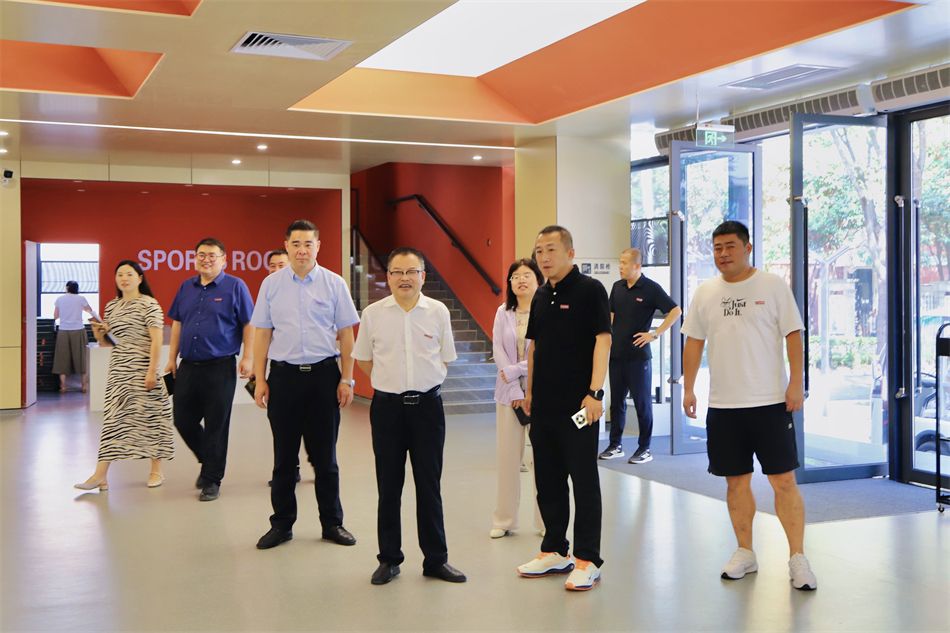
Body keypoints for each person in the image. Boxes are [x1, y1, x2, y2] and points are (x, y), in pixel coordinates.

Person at [681, 220, 817, 591]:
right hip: (724, 406)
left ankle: (798, 557)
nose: (723, 254)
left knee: (783, 481)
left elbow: (793, 334)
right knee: (735, 481)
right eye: (717, 248)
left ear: (747, 248)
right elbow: (694, 342)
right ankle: (745, 551)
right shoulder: (706, 292)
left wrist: (796, 382)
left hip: (770, 402)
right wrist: (688, 388)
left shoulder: (772, 285)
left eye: (730, 246)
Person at [352, 247, 467, 585]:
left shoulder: (438, 311)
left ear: (423, 276)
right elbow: (364, 360)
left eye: (411, 271)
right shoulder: (373, 314)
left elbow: (444, 358)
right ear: (387, 277)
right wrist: (391, 383)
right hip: (387, 409)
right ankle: (389, 559)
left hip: (428, 409)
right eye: (397, 272)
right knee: (389, 486)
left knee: (429, 485)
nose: (405, 278)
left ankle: (436, 560)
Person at [251, 219, 359, 550]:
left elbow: (346, 335)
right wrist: (260, 378)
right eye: (296, 244)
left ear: (318, 246)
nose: (302, 250)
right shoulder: (271, 285)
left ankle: (332, 524)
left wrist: (347, 378)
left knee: (326, 459)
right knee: (284, 458)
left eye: (308, 244)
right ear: (286, 246)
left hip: (324, 378)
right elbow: (262, 334)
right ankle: (282, 525)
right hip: (283, 379)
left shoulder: (334, 283)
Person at [518, 226, 611, 592]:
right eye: (539, 250)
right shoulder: (541, 294)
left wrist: (595, 393)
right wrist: (529, 391)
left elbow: (603, 341)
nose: (543, 257)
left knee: (584, 481)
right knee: (547, 480)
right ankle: (555, 549)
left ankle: (588, 559)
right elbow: (534, 348)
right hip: (544, 405)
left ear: (570, 253)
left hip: (580, 405)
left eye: (551, 249)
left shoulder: (591, 290)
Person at [164, 238, 254, 502]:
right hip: (188, 365)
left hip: (220, 366)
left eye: (212, 255)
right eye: (201, 255)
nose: (206, 259)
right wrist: (171, 358)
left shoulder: (235, 286)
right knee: (182, 419)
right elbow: (177, 323)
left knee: (217, 424)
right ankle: (209, 460)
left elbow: (248, 324)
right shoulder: (186, 287)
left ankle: (212, 479)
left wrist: (248, 357)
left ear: (224, 259)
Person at [75, 260, 174, 490]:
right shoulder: (112, 306)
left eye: (129, 274)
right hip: (119, 371)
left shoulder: (149, 304)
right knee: (113, 421)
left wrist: (152, 371)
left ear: (140, 278)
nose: (124, 278)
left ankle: (156, 470)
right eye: (120, 274)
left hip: (144, 369)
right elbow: (108, 343)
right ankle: (100, 475)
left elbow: (157, 340)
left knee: (152, 418)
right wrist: (99, 333)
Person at [600, 248, 681, 463]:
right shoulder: (617, 287)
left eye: (624, 263)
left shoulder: (651, 288)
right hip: (616, 355)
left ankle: (644, 448)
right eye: (620, 262)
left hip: (638, 358)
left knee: (642, 404)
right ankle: (615, 445)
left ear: (637, 266)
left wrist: (654, 334)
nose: (620, 266)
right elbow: (611, 316)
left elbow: (675, 311)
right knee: (616, 404)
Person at [490, 258, 544, 539]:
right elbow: (498, 350)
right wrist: (514, 390)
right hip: (507, 394)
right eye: (515, 276)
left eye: (527, 275)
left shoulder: (546, 310)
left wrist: (516, 371)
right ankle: (505, 520)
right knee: (508, 459)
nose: (521, 280)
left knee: (544, 459)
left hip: (542, 393)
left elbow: (545, 353)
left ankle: (546, 522)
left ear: (538, 280)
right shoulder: (503, 312)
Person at [265, 247, 298, 486]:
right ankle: (289, 468)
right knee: (283, 428)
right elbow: (262, 333)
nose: (276, 270)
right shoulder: (269, 290)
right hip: (282, 371)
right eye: (272, 266)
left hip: (316, 371)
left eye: (281, 265)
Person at [52, 280, 94, 393]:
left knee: (62, 358)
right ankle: (84, 386)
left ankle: (63, 386)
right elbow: (90, 310)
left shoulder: (60, 299)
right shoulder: (81, 299)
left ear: (67, 288)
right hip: (78, 329)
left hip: (63, 330)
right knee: (81, 357)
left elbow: (55, 316)